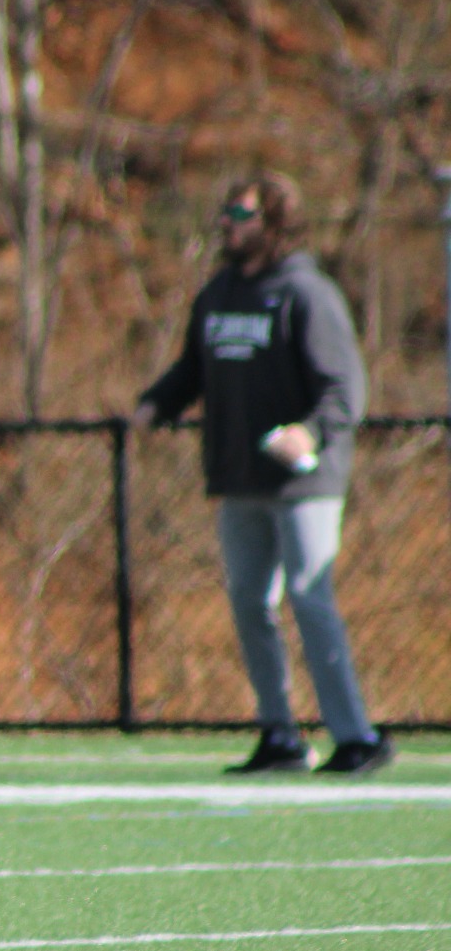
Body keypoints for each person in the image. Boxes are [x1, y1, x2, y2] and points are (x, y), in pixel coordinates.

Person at [134, 172, 389, 774]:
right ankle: (280, 734)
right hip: (240, 479)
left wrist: (311, 431)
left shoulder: (306, 293)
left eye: (239, 213)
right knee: (250, 602)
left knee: (309, 595)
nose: (226, 222)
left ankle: (355, 737)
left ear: (274, 223)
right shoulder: (219, 293)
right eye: (224, 211)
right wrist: (154, 405)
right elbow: (193, 369)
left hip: (304, 481)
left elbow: (345, 389)